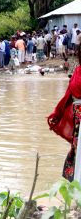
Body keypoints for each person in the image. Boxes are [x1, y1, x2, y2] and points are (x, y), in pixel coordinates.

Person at [48, 46, 81, 181]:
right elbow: (69, 95)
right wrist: (58, 113)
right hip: (78, 116)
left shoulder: (78, 71)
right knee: (78, 149)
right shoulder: (78, 71)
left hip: (78, 115)